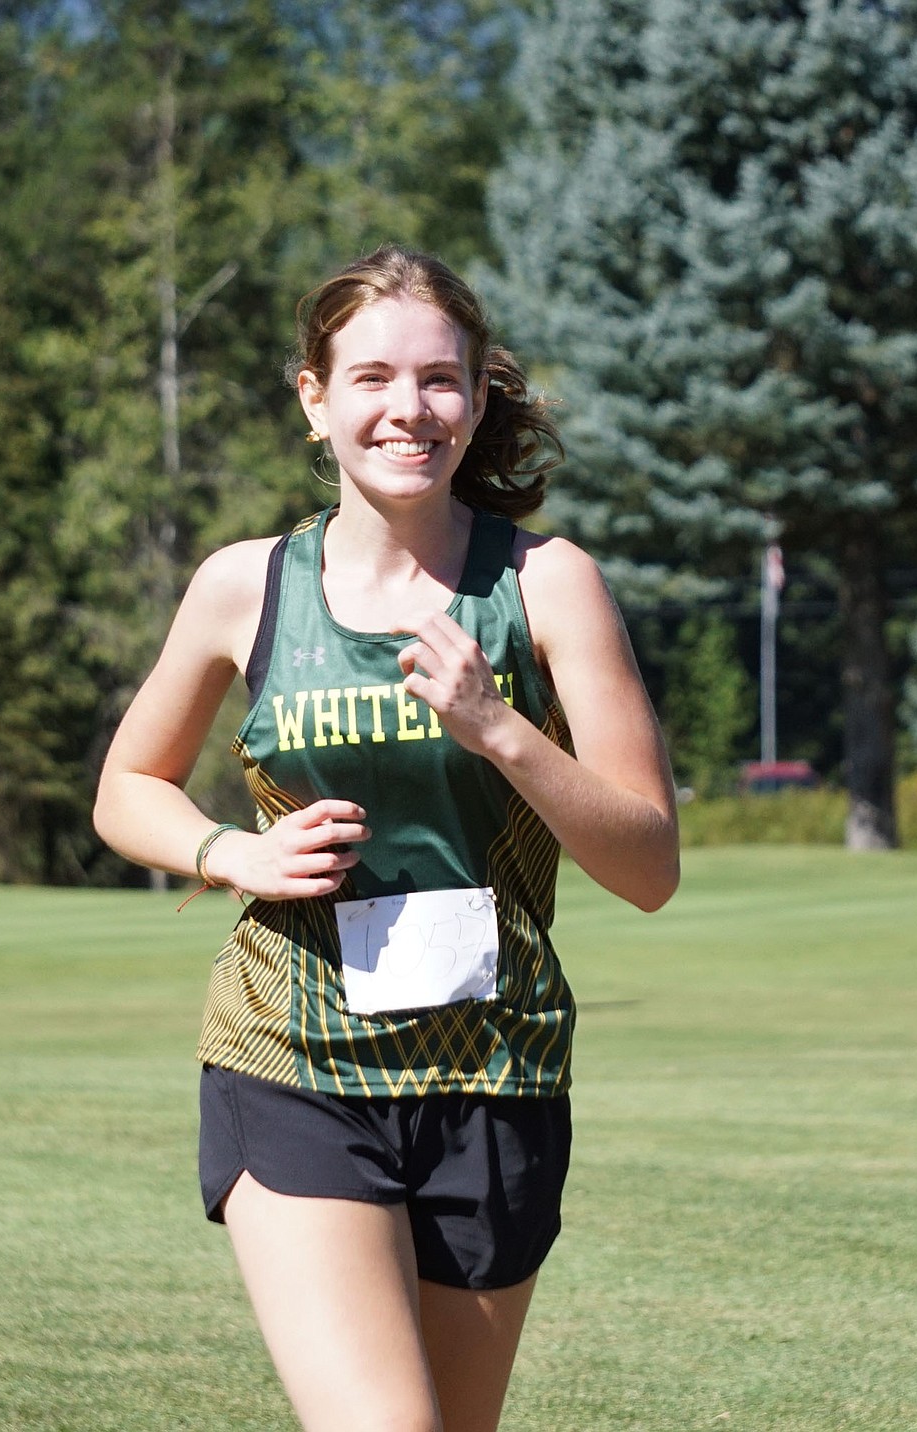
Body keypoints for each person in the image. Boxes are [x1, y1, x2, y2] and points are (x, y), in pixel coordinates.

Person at [93, 244, 679, 1432]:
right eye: (369, 378)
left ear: (476, 397)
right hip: (293, 1062)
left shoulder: (546, 585)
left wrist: (500, 728)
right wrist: (229, 853)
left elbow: (649, 865)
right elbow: (127, 785)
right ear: (315, 399)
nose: (407, 409)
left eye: (439, 380)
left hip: (494, 1076)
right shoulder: (245, 587)